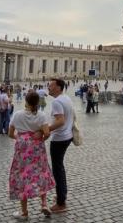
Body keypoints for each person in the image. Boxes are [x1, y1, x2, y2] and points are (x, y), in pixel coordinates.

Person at [8, 91, 55, 219]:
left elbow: (10, 133)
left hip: (22, 148)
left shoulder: (17, 115)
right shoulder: (41, 115)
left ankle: (24, 212)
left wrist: (21, 138)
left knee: (22, 175)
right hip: (37, 148)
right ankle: (44, 204)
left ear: (26, 101)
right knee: (41, 172)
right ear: (37, 102)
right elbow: (47, 133)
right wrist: (39, 139)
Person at [48, 78, 74, 213]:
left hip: (59, 138)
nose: (49, 87)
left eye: (51, 86)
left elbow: (60, 121)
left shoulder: (57, 101)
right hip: (68, 136)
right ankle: (61, 195)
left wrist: (46, 129)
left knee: (57, 170)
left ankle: (61, 202)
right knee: (60, 168)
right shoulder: (66, 98)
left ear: (58, 87)